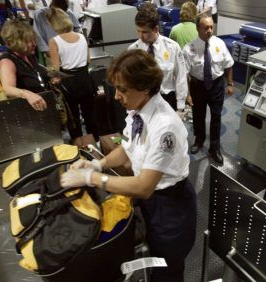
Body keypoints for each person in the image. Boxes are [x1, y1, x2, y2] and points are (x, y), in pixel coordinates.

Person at [60, 49, 197, 282]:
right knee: (153, 256)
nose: (115, 96)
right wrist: (97, 164)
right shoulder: (137, 111)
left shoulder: (164, 127)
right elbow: (127, 147)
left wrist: (90, 179)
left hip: (170, 207)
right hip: (151, 201)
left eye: (122, 90)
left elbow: (144, 186)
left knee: (167, 268)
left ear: (144, 88)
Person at [182, 13, 234, 164]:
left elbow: (229, 65)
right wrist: (188, 94)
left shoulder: (220, 43)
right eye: (206, 28)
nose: (210, 30)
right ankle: (199, 140)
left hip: (216, 85)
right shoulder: (189, 49)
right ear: (198, 28)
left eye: (211, 27)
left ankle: (214, 148)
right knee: (198, 115)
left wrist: (230, 84)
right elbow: (185, 74)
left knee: (216, 117)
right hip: (198, 86)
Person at [48, 7, 97, 141]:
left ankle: (78, 145)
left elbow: (56, 69)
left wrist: (52, 78)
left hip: (68, 82)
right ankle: (95, 143)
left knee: (73, 117)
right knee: (90, 115)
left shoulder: (54, 41)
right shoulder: (81, 36)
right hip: (85, 78)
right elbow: (88, 60)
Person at [128, 3, 188, 112]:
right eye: (138, 31)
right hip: (142, 101)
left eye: (145, 32)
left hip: (167, 99)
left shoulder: (172, 48)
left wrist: (180, 106)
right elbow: (130, 81)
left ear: (156, 29)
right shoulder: (133, 50)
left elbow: (180, 77)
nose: (140, 36)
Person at [0, 19, 48, 111]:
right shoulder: (7, 61)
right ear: (17, 42)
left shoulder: (27, 54)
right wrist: (27, 94)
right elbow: (7, 89)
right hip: (27, 112)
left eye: (33, 40)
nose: (34, 44)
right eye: (29, 41)